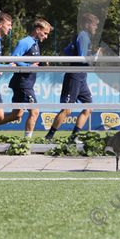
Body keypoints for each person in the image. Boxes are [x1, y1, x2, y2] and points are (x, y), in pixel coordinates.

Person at [44, 13, 101, 142]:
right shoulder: (83, 36)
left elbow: (67, 52)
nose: (96, 27)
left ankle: (73, 137)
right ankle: (49, 136)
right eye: (94, 25)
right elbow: (82, 59)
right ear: (87, 25)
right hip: (74, 77)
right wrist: (96, 57)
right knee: (67, 110)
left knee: (88, 108)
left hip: (81, 78)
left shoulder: (82, 36)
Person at [0, 19, 53, 138]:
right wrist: (29, 65)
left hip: (25, 83)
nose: (46, 37)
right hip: (23, 84)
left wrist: (41, 64)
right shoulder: (25, 42)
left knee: (16, 114)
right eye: (45, 33)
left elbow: (31, 64)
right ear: (38, 30)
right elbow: (13, 59)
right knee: (35, 112)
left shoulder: (35, 44)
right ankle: (26, 143)